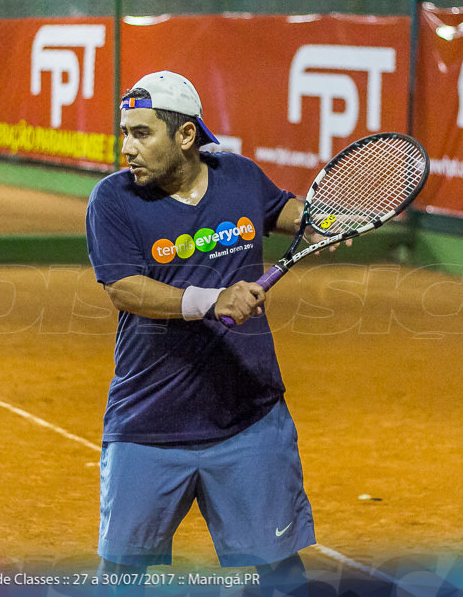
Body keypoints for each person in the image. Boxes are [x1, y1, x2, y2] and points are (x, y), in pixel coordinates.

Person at [85, 71, 323, 596]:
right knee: (122, 578)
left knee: (279, 573)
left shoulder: (236, 175)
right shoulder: (112, 200)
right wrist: (211, 301)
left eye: (142, 133)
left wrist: (323, 218)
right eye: (125, 132)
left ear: (186, 136)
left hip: (250, 417)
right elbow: (124, 288)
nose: (127, 147)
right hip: (148, 422)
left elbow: (280, 210)